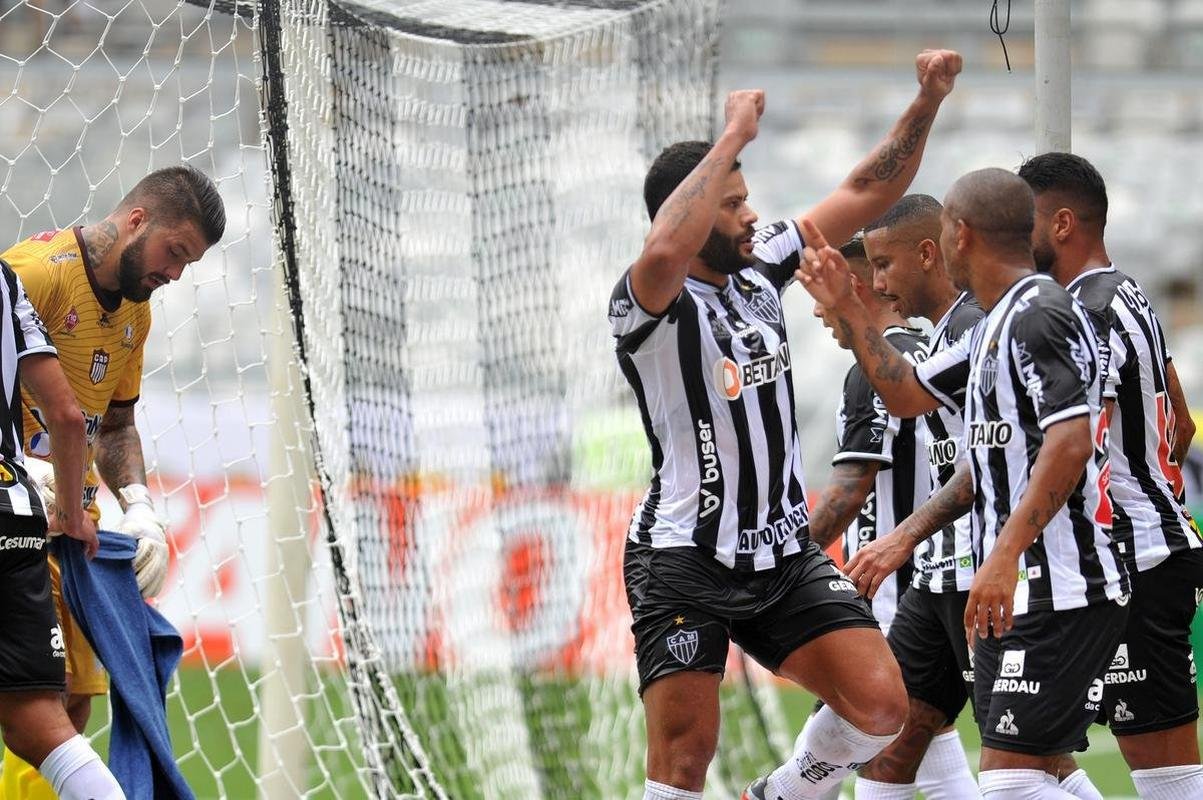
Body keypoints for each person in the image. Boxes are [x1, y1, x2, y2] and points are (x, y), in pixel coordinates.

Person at [608, 49, 962, 800]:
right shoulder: (650, 305)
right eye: (731, 203)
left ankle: (779, 794)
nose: (750, 214)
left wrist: (927, 99)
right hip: (684, 557)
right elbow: (666, 247)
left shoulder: (762, 264)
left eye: (745, 198)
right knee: (682, 761)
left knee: (882, 706)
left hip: (780, 551)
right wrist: (730, 136)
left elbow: (866, 189)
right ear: (694, 211)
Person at [798, 168, 1129, 799]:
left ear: (959, 235)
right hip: (984, 579)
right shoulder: (992, 325)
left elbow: (1069, 442)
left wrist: (1003, 557)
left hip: (1053, 582)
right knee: (892, 743)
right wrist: (846, 302)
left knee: (1014, 778)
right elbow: (906, 393)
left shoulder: (1038, 313)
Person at [0, 165, 225, 799]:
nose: (174, 273)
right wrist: (32, 469)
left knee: (69, 707)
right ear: (135, 220)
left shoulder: (137, 314)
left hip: (75, 526)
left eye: (188, 264)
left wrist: (141, 507)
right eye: (173, 252)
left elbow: (116, 424)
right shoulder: (34, 272)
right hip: (17, 511)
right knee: (34, 705)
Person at [1019, 151, 1203, 799]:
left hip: (1132, 560)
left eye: (1025, 222)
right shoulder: (1123, 294)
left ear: (1062, 223)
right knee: (1030, 751)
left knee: (1154, 767)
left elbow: (1071, 445)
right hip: (1141, 548)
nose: (1017, 238)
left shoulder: (1085, 315)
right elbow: (1178, 422)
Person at [836, 194, 985, 800]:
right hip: (934, 577)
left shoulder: (979, 327)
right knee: (889, 754)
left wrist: (789, 564)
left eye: (881, 267)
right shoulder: (944, 338)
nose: (876, 281)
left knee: (1027, 766)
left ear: (928, 253)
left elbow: (853, 487)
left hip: (967, 577)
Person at [806, 234, 930, 800]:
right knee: (922, 752)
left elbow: (849, 491)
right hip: (935, 583)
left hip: (889, 593)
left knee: (845, 759)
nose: (815, 309)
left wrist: (775, 565)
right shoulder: (932, 349)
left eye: (821, 292)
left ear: (853, 284)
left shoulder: (871, 368)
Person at [0, 257, 124, 799]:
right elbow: (67, 416)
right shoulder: (7, 281)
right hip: (14, 513)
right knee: (46, 726)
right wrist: (73, 515)